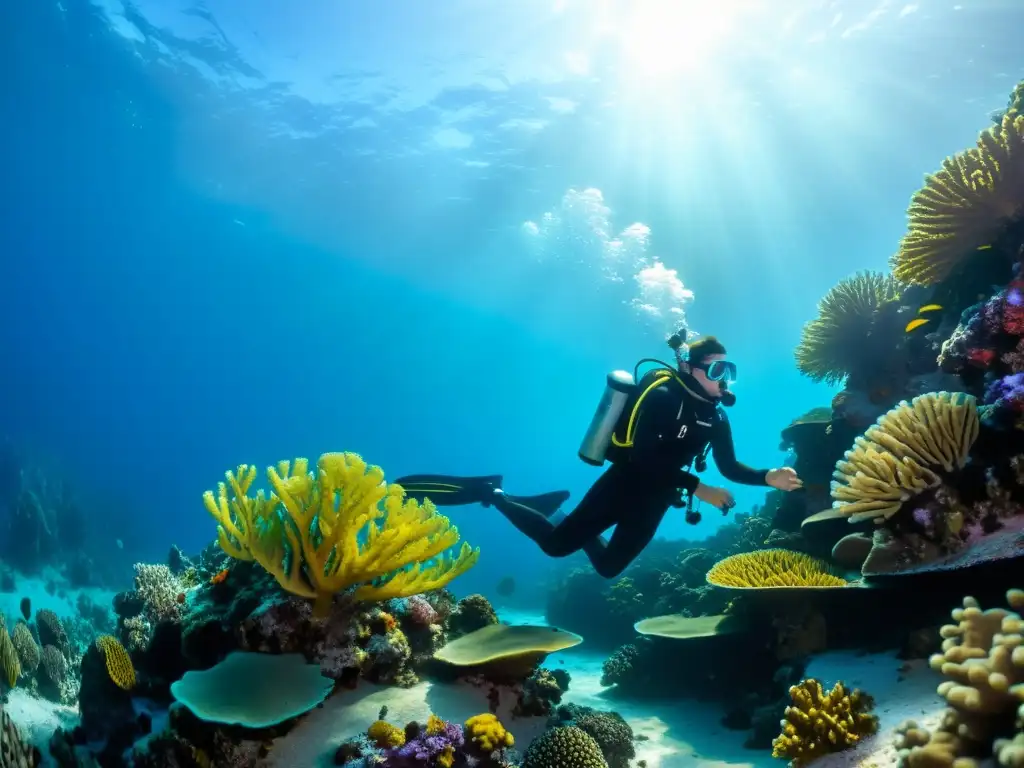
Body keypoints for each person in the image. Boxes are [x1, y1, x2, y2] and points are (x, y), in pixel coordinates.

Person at [395, 334, 803, 579]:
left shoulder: (715, 417)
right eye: (716, 371)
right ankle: (493, 492)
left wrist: (769, 476)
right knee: (556, 547)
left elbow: (730, 467)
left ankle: (558, 515)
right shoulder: (662, 397)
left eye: (729, 372)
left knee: (608, 568)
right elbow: (642, 458)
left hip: (659, 496)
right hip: (624, 482)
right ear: (688, 367)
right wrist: (697, 485)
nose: (724, 381)